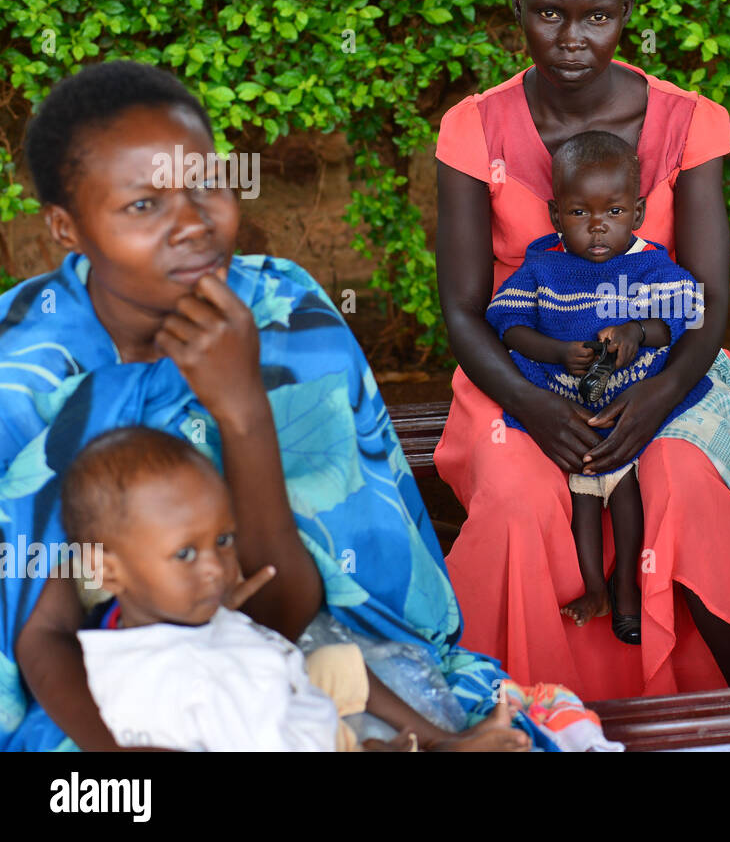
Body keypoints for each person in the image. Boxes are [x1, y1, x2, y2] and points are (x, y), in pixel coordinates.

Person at [2, 60, 533, 751]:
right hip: (104, 708)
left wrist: (243, 409)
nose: (192, 223)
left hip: (283, 668)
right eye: (143, 205)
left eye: (207, 184)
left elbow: (284, 615)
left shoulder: (287, 313)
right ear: (65, 228)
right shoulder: (21, 372)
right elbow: (38, 641)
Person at [434, 0, 730, 698]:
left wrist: (659, 395)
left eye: (596, 18)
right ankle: (521, 717)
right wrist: (531, 404)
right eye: (550, 14)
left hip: (666, 371)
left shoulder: (687, 123)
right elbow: (462, 308)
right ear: (518, 10)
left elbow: (703, 297)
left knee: (680, 483)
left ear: (626, 13)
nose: (572, 40)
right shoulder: (473, 130)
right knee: (523, 495)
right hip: (520, 372)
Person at [62, 426, 521, 752]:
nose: (215, 569)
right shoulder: (180, 685)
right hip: (297, 736)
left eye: (223, 541)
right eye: (184, 554)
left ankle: (443, 741)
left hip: (294, 706)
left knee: (338, 664)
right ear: (108, 569)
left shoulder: (143, 618)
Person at [485, 131, 711, 643]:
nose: (597, 228)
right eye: (579, 214)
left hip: (633, 409)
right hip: (569, 409)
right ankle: (595, 587)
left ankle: (628, 586)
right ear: (554, 214)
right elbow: (509, 323)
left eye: (611, 212)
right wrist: (556, 351)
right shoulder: (543, 266)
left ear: (637, 212)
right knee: (583, 504)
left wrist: (638, 331)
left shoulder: (649, 264)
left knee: (628, 499)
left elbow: (685, 310)